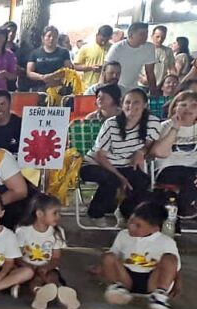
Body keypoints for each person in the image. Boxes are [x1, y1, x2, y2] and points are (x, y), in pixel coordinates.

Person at [80, 89, 159, 221]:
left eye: (136, 102)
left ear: (145, 105)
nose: (131, 106)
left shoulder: (153, 123)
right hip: (95, 163)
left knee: (142, 180)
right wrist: (121, 177)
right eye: (127, 102)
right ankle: (95, 214)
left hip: (125, 165)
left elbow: (149, 144)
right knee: (112, 180)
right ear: (122, 105)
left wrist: (141, 152)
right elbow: (100, 155)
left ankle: (125, 212)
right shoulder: (111, 124)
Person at [98, 201, 180, 309]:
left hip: (152, 281)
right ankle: (118, 288)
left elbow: (175, 267)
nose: (131, 227)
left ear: (154, 229)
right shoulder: (123, 235)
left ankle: (159, 296)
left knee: (170, 258)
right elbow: (113, 257)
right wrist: (101, 268)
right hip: (126, 278)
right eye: (130, 222)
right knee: (108, 256)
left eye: (138, 226)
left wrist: (178, 283)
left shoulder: (166, 241)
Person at [16, 193, 80, 309]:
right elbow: (17, 256)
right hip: (28, 269)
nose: (58, 216)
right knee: (35, 280)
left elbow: (56, 258)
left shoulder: (57, 232)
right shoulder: (23, 231)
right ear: (39, 214)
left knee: (52, 277)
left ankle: (62, 294)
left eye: (59, 213)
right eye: (55, 213)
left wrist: (47, 267)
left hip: (49, 267)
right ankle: (39, 294)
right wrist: (30, 267)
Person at [151, 90, 197, 217]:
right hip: (168, 169)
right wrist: (175, 127)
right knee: (186, 176)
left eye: (194, 105)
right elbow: (159, 153)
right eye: (183, 105)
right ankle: (184, 208)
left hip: (193, 170)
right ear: (174, 108)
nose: (188, 108)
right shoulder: (165, 126)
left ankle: (184, 207)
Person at [104, 22, 157, 93]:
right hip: (115, 87)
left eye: (146, 33)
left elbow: (150, 73)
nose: (145, 37)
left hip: (133, 88)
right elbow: (105, 71)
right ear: (131, 35)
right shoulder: (117, 47)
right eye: (142, 34)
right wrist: (104, 90)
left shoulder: (149, 47)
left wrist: (154, 93)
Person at [25, 26, 74, 91]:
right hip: (40, 88)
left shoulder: (64, 52)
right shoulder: (34, 53)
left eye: (54, 36)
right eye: (49, 36)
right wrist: (42, 77)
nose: (51, 38)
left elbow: (68, 70)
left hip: (60, 88)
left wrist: (55, 78)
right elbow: (29, 72)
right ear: (43, 38)